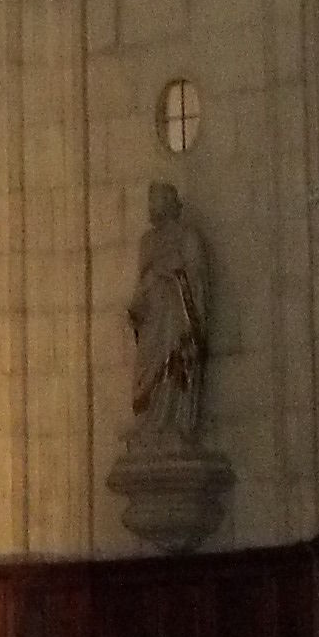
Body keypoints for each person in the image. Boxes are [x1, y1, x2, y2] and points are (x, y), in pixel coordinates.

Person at [126, 182, 214, 450]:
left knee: (177, 363)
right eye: (150, 199)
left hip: (177, 318)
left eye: (156, 199)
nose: (151, 205)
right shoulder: (147, 242)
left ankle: (175, 424)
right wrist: (138, 304)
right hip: (153, 321)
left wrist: (173, 274)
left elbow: (198, 280)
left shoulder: (188, 237)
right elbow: (142, 280)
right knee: (148, 368)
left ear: (170, 202)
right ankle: (150, 423)